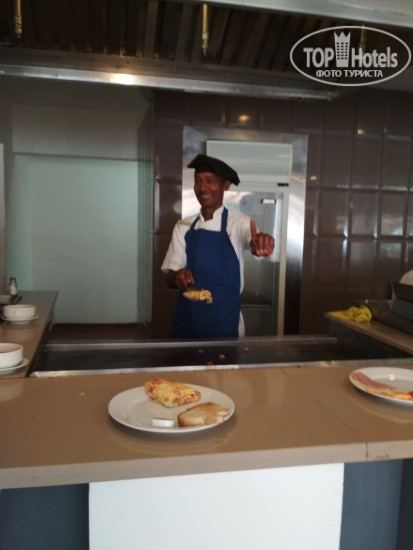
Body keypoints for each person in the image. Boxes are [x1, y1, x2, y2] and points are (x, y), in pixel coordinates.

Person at [161, 154, 275, 338]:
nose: (202, 187)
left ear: (225, 185)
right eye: (198, 181)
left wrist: (260, 245)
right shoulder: (184, 226)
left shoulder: (239, 223)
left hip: (225, 322)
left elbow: (252, 240)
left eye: (210, 181)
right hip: (188, 323)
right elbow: (169, 278)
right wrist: (177, 277)